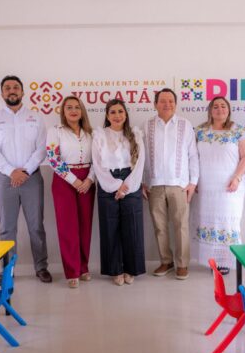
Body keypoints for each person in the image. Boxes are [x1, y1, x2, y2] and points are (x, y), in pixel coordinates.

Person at [0, 75, 52, 283]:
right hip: (5, 180)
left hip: (32, 178)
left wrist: (25, 172)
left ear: (22, 92)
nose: (12, 90)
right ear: (2, 93)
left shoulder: (36, 117)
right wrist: (11, 172)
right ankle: (7, 271)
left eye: (15, 87)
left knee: (36, 226)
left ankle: (41, 267)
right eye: (7, 88)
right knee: (7, 227)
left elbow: (42, 148)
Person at [143, 88, 199, 280]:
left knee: (181, 226)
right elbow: (141, 156)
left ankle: (182, 264)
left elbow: (193, 155)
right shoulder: (147, 125)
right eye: (163, 101)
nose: (167, 104)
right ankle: (166, 262)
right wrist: (142, 182)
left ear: (175, 104)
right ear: (155, 104)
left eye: (171, 101)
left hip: (179, 184)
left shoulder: (185, 124)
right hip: (155, 184)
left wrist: (193, 182)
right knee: (159, 226)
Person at [193, 96, 245, 275]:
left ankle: (226, 261)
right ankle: (211, 260)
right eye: (216, 106)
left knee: (227, 222)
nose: (220, 109)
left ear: (229, 109)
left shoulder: (238, 131)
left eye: (223, 106)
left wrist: (237, 177)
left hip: (230, 185)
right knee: (209, 221)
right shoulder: (199, 131)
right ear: (210, 110)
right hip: (206, 185)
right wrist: (194, 180)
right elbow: (193, 157)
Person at [92, 99, 146, 286]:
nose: (117, 115)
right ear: (107, 116)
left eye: (120, 111)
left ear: (126, 114)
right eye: (113, 112)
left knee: (132, 227)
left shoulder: (135, 134)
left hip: (132, 180)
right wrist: (116, 185)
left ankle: (131, 268)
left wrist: (126, 186)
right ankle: (115, 269)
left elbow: (140, 163)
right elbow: (98, 164)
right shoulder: (99, 135)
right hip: (107, 181)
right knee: (110, 227)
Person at [46, 96, 95, 288]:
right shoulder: (55, 131)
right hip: (64, 180)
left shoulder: (91, 133)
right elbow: (53, 159)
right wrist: (75, 181)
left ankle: (83, 267)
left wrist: (89, 180)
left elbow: (98, 160)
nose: (73, 110)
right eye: (69, 107)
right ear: (63, 111)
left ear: (82, 111)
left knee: (85, 226)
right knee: (68, 227)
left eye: (77, 107)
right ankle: (72, 271)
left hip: (87, 180)